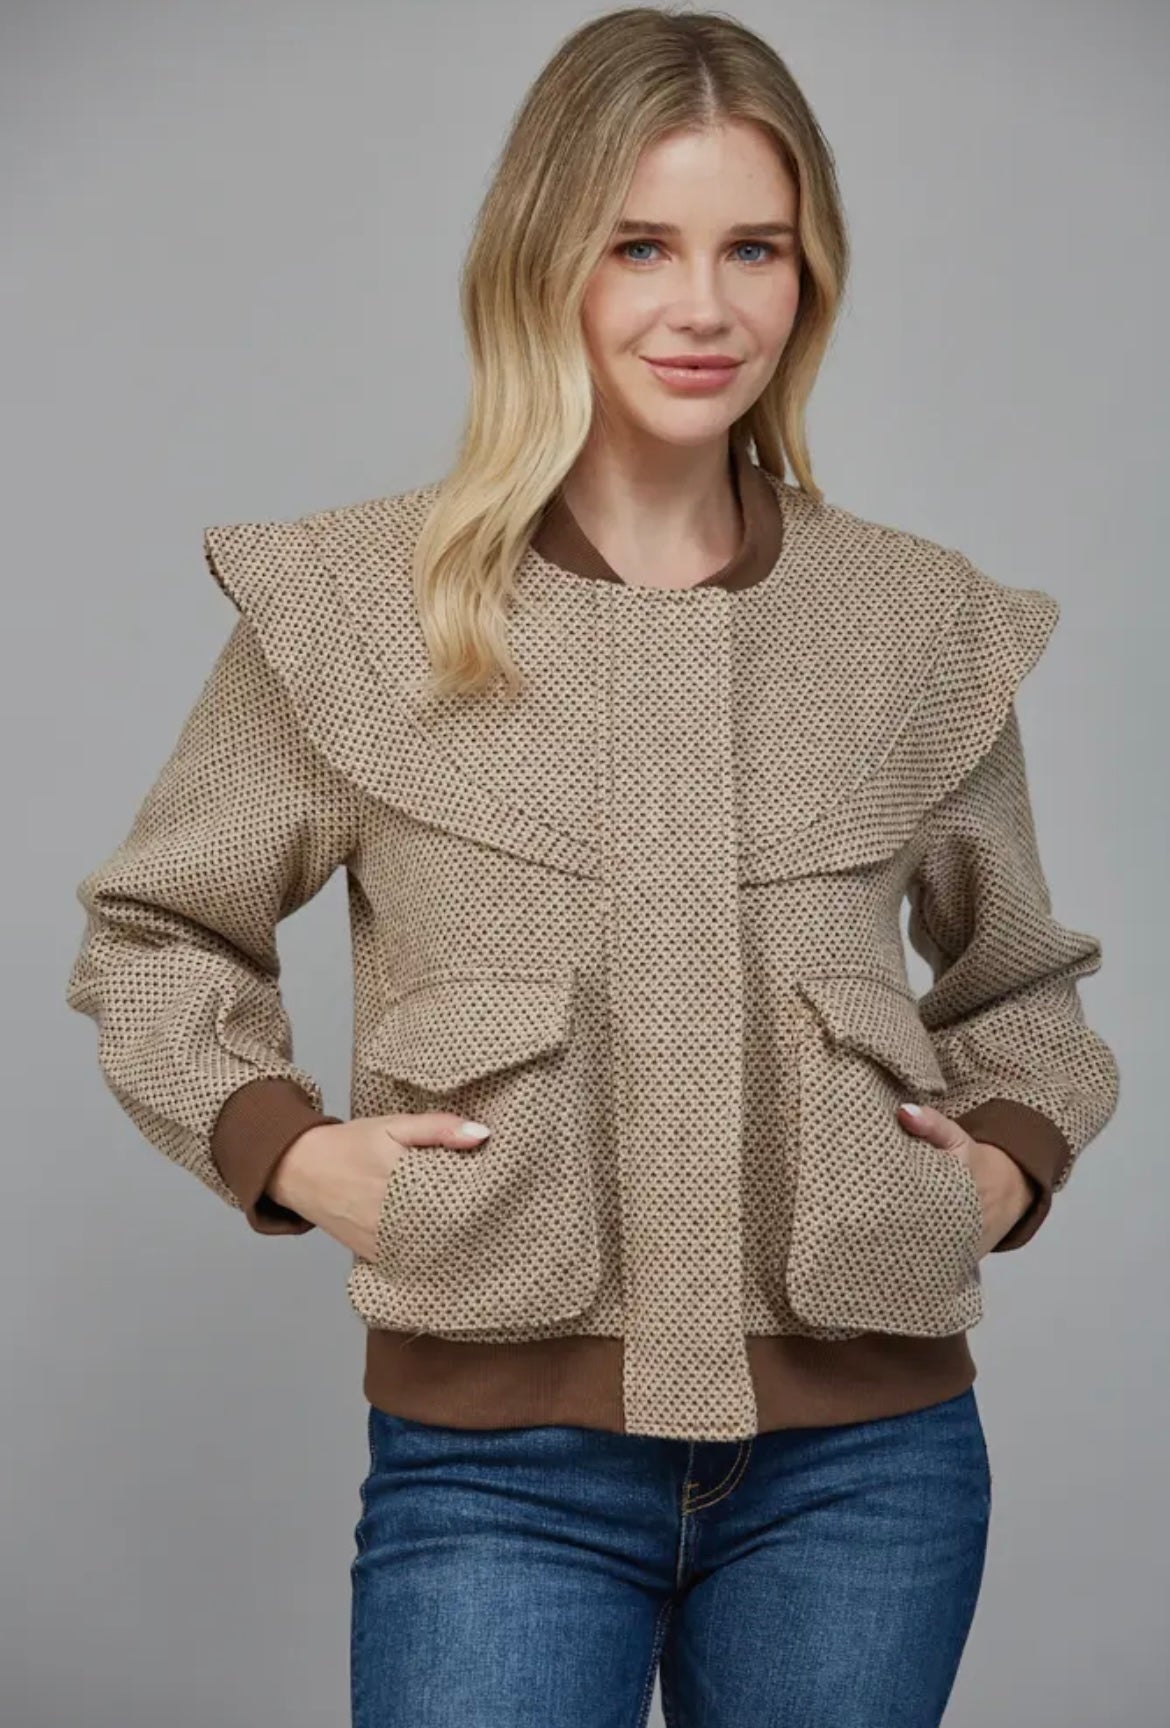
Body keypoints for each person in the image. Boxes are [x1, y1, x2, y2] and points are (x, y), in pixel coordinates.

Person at [65, 8, 1120, 1725]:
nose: (702, 307)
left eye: (751, 248)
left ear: (808, 277)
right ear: (539, 259)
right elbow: (155, 936)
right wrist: (291, 1152)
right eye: (640, 245)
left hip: (870, 1469)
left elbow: (1020, 986)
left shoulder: (915, 622)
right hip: (499, 1470)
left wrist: (1003, 1162)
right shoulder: (355, 610)